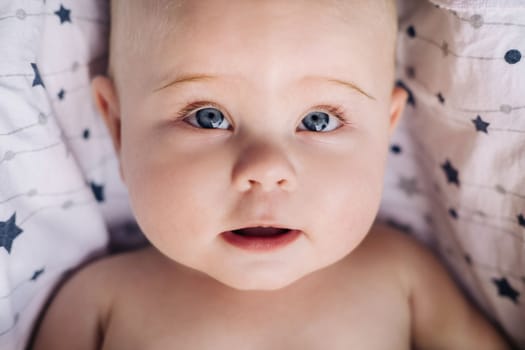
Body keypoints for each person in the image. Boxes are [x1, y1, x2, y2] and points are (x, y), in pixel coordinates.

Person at [31, 0, 510, 349]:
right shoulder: (99, 302)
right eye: (207, 117)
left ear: (384, 134)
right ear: (118, 127)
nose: (266, 170)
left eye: (318, 120)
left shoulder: (403, 277)